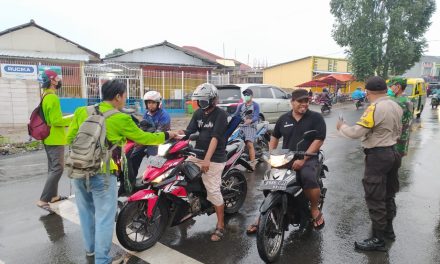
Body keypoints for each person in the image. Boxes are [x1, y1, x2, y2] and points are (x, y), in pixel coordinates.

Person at [67, 80, 179, 264]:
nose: (125, 99)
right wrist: (168, 135)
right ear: (118, 96)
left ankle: (90, 251)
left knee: (86, 213)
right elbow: (144, 138)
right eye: (125, 95)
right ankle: (102, 260)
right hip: (102, 173)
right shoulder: (120, 118)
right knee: (104, 217)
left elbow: (70, 138)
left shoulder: (82, 112)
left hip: (78, 169)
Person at [247, 89, 326, 234]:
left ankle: (314, 209)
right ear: (292, 102)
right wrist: (271, 154)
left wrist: (303, 159)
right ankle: (266, 212)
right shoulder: (284, 119)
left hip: (308, 156)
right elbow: (275, 137)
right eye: (300, 101)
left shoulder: (316, 118)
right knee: (270, 180)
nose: (304, 104)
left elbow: (319, 139)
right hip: (286, 156)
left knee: (307, 177)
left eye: (306, 101)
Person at [337, 76, 403, 251]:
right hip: (393, 152)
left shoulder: (375, 108)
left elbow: (356, 132)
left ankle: (378, 239)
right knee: (388, 194)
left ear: (368, 92)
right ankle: (388, 230)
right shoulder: (396, 105)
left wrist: (341, 127)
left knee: (375, 196)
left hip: (378, 156)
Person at [182, 83, 228, 242]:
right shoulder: (198, 113)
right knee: (179, 171)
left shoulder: (220, 115)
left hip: (215, 157)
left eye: (203, 101)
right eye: (199, 101)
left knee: (213, 190)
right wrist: (171, 135)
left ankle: (221, 225)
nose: (201, 104)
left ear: (212, 100)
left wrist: (207, 160)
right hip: (198, 153)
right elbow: (188, 132)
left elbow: (215, 138)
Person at [36, 70, 73, 213]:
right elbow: (56, 121)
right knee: (57, 169)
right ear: (51, 80)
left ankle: (53, 196)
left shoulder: (45, 95)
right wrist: (74, 117)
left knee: (53, 168)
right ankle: (43, 200)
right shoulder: (52, 97)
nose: (59, 81)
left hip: (48, 137)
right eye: (57, 78)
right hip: (54, 138)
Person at [125, 91, 171, 191]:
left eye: (153, 103)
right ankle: (131, 183)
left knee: (153, 161)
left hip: (158, 142)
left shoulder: (164, 115)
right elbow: (143, 128)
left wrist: (142, 140)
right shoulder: (147, 114)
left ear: (158, 103)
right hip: (147, 140)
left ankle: (154, 184)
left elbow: (158, 134)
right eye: (148, 102)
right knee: (133, 156)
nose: (150, 105)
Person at [231, 88, 260, 170]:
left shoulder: (255, 105)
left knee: (249, 144)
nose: (246, 96)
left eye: (248, 95)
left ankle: (252, 164)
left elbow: (256, 116)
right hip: (242, 126)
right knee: (235, 143)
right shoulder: (241, 106)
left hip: (251, 126)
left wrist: (251, 120)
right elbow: (236, 114)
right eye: (245, 95)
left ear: (251, 96)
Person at [387, 77, 414, 157]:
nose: (389, 89)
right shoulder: (406, 99)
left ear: (398, 87)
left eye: (391, 86)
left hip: (396, 139)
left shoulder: (399, 101)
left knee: (391, 164)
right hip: (403, 137)